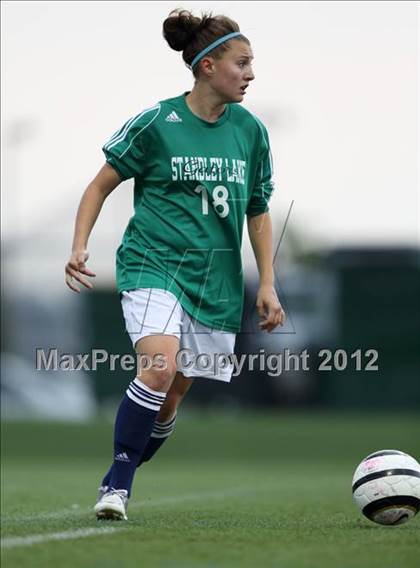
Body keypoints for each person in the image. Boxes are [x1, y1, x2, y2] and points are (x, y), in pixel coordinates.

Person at [65, 8, 285, 521]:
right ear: (208, 65)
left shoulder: (251, 131)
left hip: (216, 283)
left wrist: (268, 283)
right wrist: (80, 245)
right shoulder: (157, 123)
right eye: (242, 62)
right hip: (152, 264)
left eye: (252, 64)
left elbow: (258, 208)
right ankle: (117, 487)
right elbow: (100, 185)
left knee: (168, 400)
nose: (251, 74)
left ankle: (123, 470)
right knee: (158, 367)